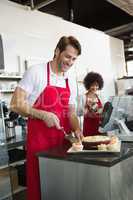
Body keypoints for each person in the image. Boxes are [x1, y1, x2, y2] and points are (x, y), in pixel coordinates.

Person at [10, 36, 83, 200]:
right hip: (40, 147)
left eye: (74, 59)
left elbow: (70, 112)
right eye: (67, 56)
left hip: (63, 145)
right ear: (57, 51)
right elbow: (15, 104)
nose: (70, 62)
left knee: (62, 188)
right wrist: (41, 114)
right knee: (41, 189)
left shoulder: (69, 80)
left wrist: (77, 128)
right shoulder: (36, 72)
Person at [83, 71, 104, 136]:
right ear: (88, 85)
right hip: (89, 127)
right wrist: (87, 109)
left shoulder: (99, 97)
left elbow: (101, 110)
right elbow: (82, 113)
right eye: (92, 85)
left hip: (99, 126)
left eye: (97, 85)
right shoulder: (84, 97)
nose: (95, 88)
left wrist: (100, 111)